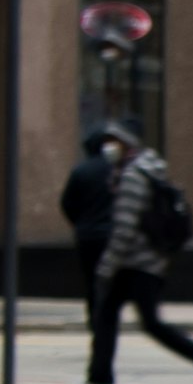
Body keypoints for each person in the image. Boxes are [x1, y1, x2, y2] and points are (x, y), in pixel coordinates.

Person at [87, 121, 193, 384]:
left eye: (114, 141)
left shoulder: (133, 176)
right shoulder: (147, 169)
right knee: (108, 316)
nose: (108, 147)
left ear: (126, 144)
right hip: (145, 261)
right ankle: (99, 376)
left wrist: (105, 266)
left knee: (148, 323)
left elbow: (125, 227)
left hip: (136, 263)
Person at [60, 127, 119, 323]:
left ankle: (94, 317)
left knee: (91, 279)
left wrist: (79, 223)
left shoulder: (80, 171)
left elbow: (67, 203)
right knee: (109, 281)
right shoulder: (115, 171)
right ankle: (106, 318)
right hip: (110, 234)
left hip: (87, 235)